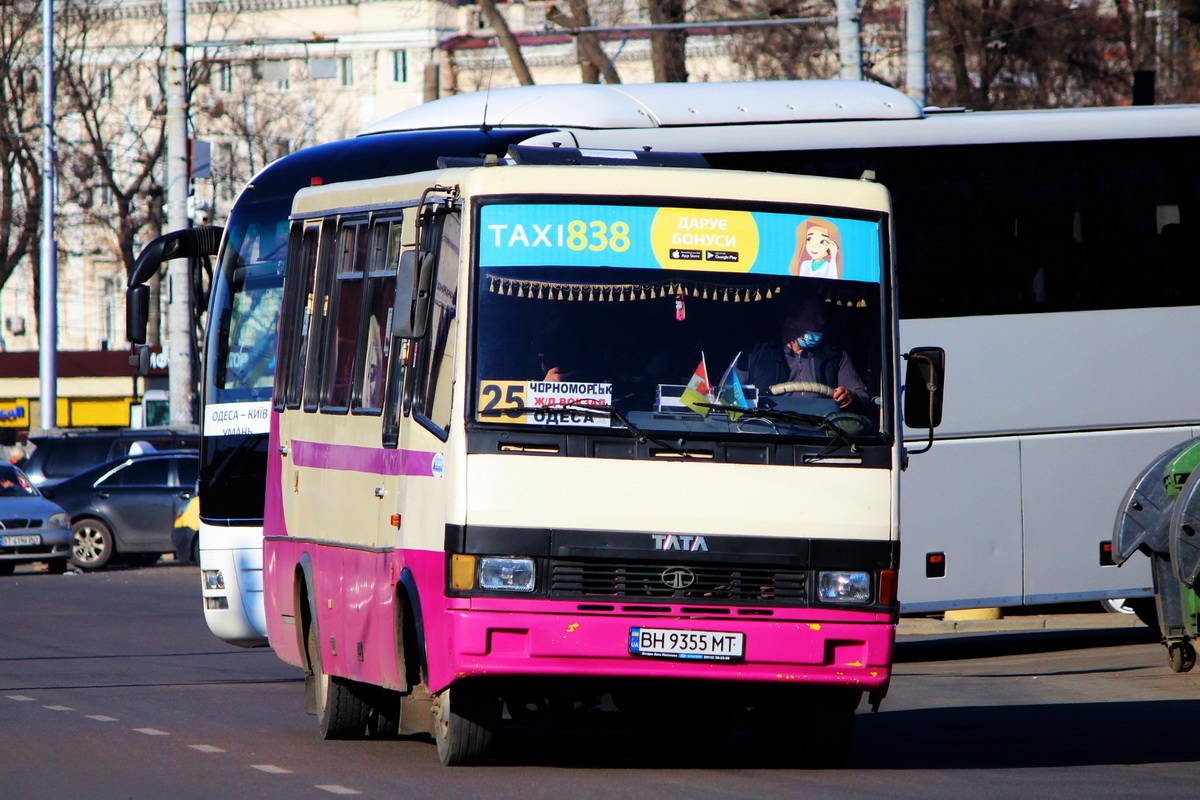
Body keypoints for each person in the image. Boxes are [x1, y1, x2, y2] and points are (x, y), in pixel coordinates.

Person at [739, 295, 870, 411]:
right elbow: (727, 396)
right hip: (769, 433)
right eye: (813, 316)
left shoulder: (836, 356)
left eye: (821, 315)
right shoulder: (752, 356)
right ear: (791, 323)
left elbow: (863, 396)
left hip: (823, 435)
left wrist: (850, 397)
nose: (821, 321)